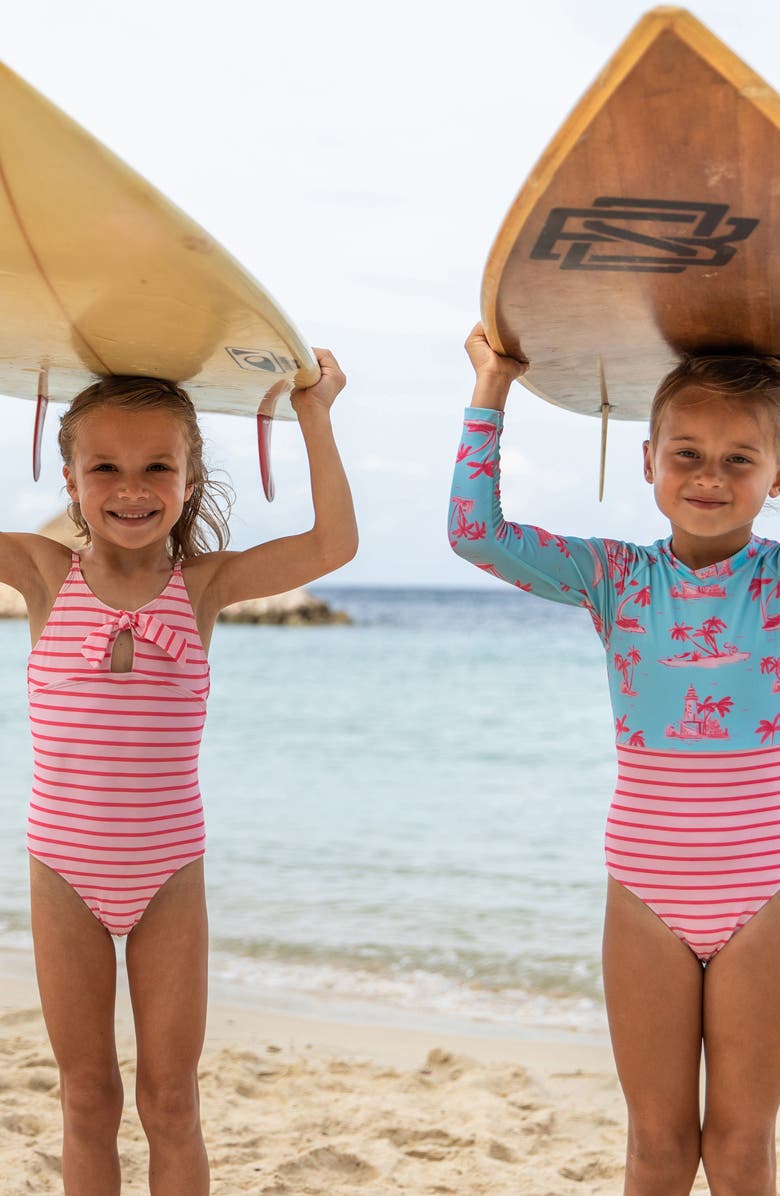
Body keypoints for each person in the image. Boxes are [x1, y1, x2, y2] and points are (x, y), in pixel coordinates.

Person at [2, 349, 356, 1196]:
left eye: (158, 465)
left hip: (168, 877)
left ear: (191, 476)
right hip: (63, 874)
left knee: (170, 1102)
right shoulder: (43, 573)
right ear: (70, 477)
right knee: (87, 1097)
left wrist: (314, 409)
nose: (132, 488)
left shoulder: (204, 585)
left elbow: (334, 542)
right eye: (106, 468)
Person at [450, 323, 780, 1196]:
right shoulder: (613, 576)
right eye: (688, 453)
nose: (710, 476)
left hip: (766, 887)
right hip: (645, 885)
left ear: (777, 477)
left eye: (741, 459)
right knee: (657, 1148)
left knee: (743, 1149)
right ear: (647, 462)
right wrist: (493, 387)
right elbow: (473, 534)